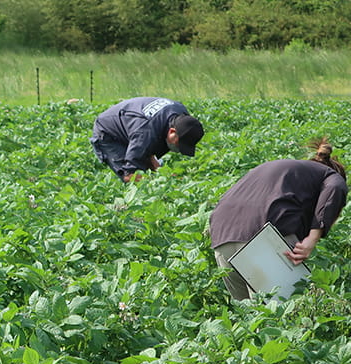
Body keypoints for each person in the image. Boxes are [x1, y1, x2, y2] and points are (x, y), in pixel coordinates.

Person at [209, 138, 347, 300]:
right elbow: (336, 187)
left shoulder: (283, 169)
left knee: (247, 316)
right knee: (282, 312)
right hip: (262, 236)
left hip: (221, 235)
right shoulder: (331, 176)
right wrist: (313, 237)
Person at [90, 97, 204, 182]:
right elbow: (130, 175)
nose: (178, 149)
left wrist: (161, 173)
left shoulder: (181, 114)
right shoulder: (144, 133)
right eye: (179, 144)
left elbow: (149, 149)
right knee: (131, 175)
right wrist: (157, 183)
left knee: (145, 158)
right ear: (172, 131)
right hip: (108, 131)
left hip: (134, 126)